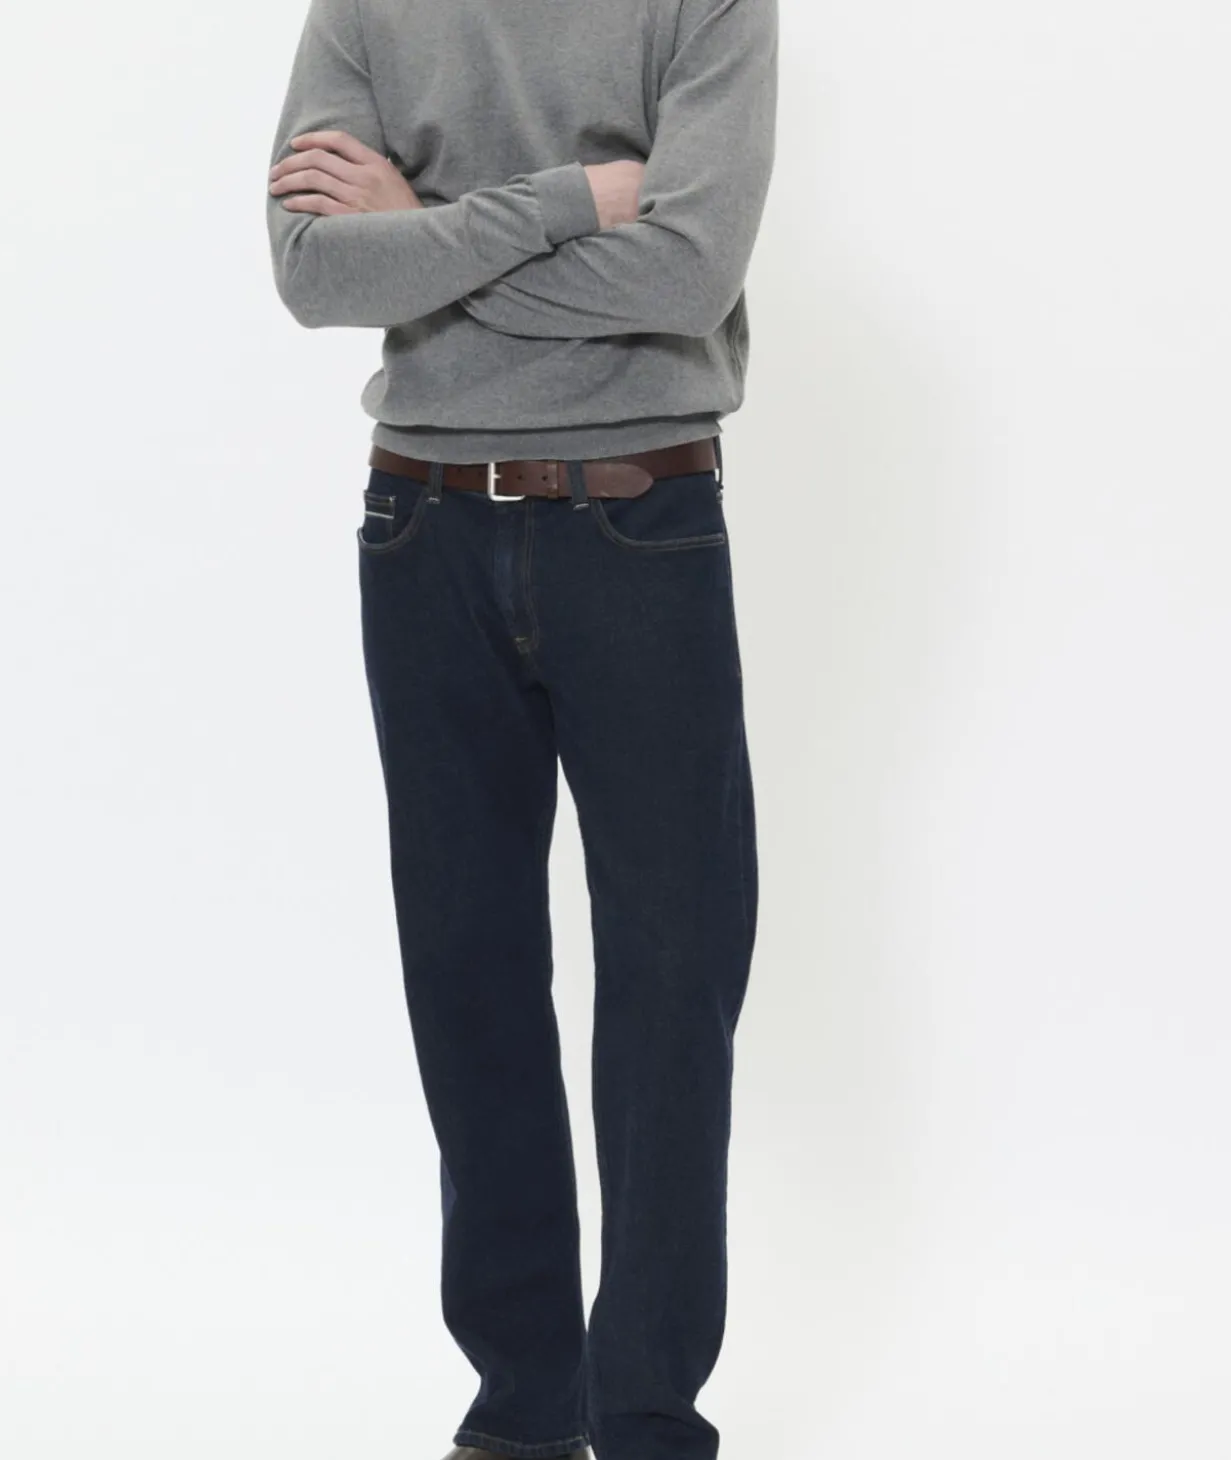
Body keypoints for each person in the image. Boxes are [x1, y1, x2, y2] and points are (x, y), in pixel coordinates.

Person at [265, 2, 776, 1456]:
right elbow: (312, 273)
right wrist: (570, 205)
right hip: (420, 528)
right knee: (468, 975)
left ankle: (650, 1419)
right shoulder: (367, 8)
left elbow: (689, 272)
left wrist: (423, 236)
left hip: (640, 523)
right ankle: (522, 1415)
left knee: (673, 981)